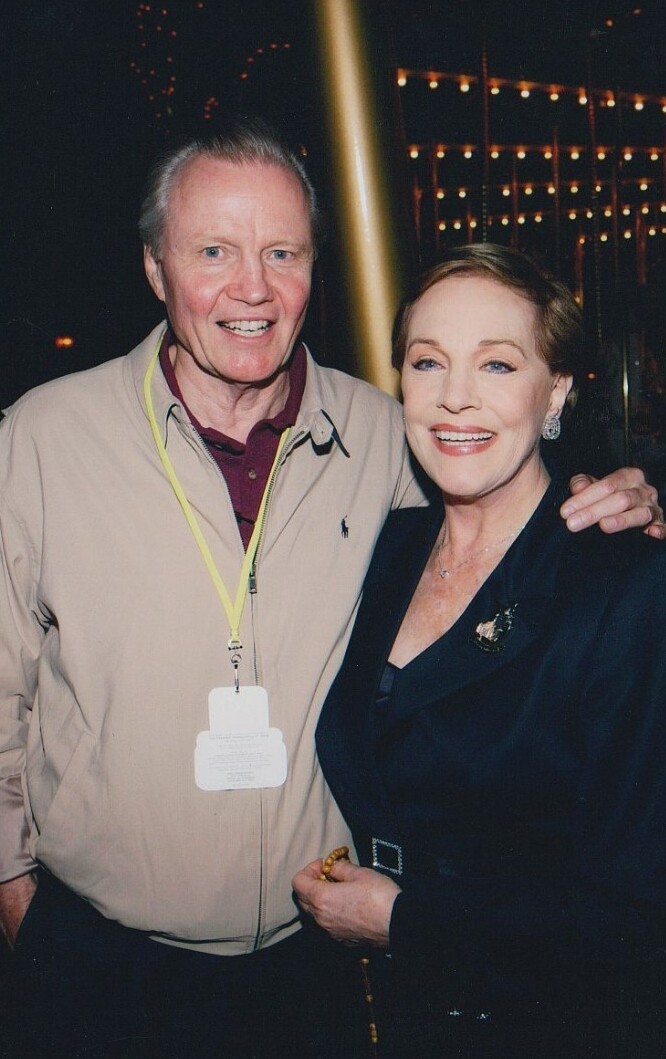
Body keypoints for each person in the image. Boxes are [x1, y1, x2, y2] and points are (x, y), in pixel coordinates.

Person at [0, 119, 660, 1059]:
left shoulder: (389, 437)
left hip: (319, 976)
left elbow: (505, 494)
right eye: (214, 251)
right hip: (99, 967)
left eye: (283, 252)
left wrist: (621, 497)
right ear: (154, 268)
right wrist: (15, 896)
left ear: (315, 269)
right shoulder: (42, 437)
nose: (252, 288)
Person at [294, 243, 666, 1058]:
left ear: (555, 390)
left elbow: (636, 920)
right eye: (428, 361)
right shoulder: (389, 545)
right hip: (385, 1019)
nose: (455, 396)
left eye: (497, 364)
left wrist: (404, 920)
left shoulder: (623, 583)